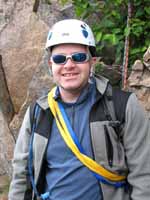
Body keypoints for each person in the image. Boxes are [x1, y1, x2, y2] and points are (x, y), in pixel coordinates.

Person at [8, 19, 150, 200]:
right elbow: (22, 176)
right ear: (51, 65)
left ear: (92, 61)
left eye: (78, 57)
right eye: (60, 59)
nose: (69, 65)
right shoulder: (38, 113)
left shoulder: (122, 106)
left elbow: (144, 175)